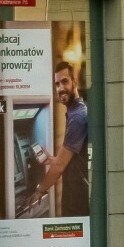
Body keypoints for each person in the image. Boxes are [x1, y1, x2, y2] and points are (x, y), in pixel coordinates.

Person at [27, 62, 89, 217]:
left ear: (75, 82)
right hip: (76, 195)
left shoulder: (78, 117)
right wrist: (52, 160)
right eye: (57, 84)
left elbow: (60, 167)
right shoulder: (75, 112)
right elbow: (68, 160)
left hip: (77, 200)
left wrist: (39, 191)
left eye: (65, 81)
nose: (60, 88)